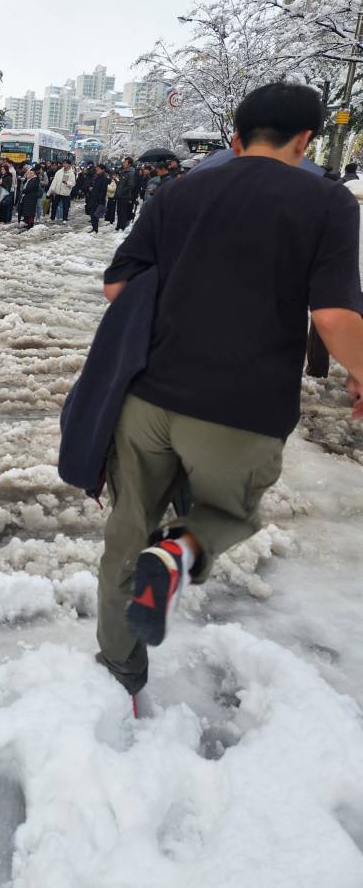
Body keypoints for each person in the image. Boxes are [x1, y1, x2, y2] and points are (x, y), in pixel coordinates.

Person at [95, 81, 363, 698]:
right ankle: (177, 554)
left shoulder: (178, 193)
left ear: (236, 138)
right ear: (306, 139)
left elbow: (117, 287)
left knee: (126, 532)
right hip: (240, 407)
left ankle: (119, 672)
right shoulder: (328, 202)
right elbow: (333, 317)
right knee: (223, 514)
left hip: (146, 397)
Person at [86, 163, 109, 232]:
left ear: (102, 170)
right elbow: (96, 186)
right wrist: (92, 188)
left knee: (95, 215)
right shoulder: (97, 177)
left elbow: (103, 191)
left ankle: (95, 229)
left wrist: (100, 200)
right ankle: (94, 228)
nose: (97, 170)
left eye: (98, 169)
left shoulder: (104, 178)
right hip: (93, 197)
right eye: (97, 168)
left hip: (98, 200)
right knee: (92, 214)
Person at [115, 156, 136, 231]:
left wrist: (121, 191)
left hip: (125, 196)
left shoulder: (131, 172)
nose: (123, 163)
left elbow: (130, 185)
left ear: (129, 164)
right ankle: (118, 226)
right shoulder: (124, 171)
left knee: (123, 212)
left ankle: (122, 227)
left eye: (125, 162)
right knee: (119, 212)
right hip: (120, 195)